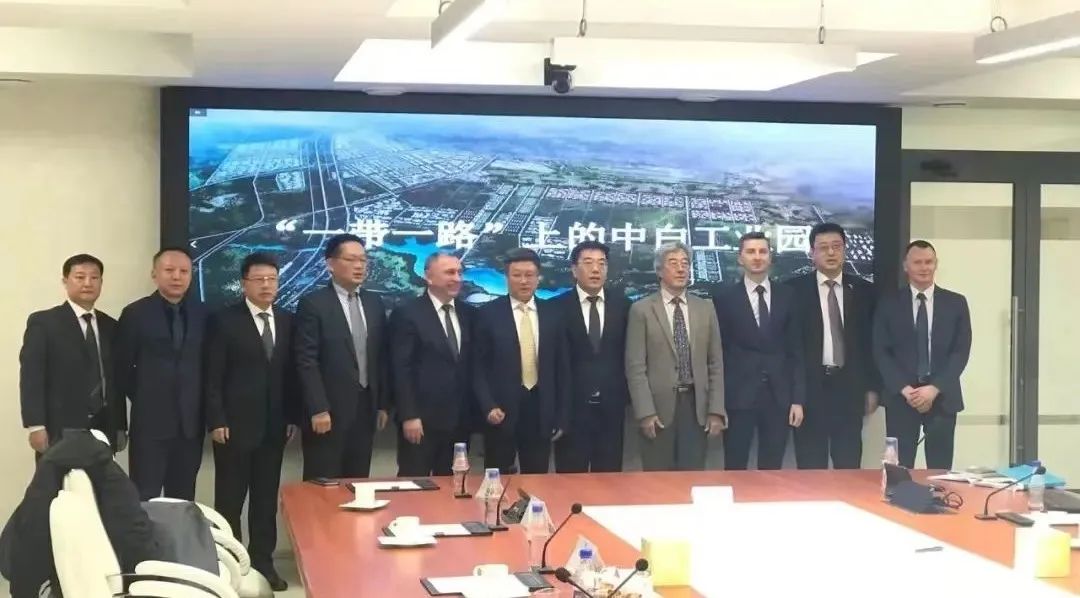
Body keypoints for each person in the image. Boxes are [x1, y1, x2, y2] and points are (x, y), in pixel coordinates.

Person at [204, 253, 299, 591]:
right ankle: (231, 569)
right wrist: (216, 418)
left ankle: (263, 564)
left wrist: (291, 417)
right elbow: (212, 375)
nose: (266, 285)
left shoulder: (287, 320)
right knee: (230, 502)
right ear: (244, 283)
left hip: (274, 429)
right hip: (233, 428)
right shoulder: (224, 321)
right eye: (259, 279)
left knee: (264, 502)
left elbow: (291, 376)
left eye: (272, 279)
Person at [115, 247, 207, 500]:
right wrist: (144, 396)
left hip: (190, 427)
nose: (177, 276)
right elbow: (121, 370)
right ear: (154, 274)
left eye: (184, 271)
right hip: (150, 425)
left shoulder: (203, 314)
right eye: (169, 270)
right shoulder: (135, 314)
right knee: (145, 497)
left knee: (183, 498)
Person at [295, 234, 389, 480]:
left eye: (363, 260)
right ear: (330, 264)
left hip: (365, 410)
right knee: (323, 485)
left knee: (357, 483)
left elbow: (380, 356)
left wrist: (382, 403)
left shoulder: (374, 302)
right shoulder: (313, 304)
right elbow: (306, 360)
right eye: (351, 259)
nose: (359, 266)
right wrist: (318, 408)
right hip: (328, 412)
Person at [625, 242, 725, 471]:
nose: (681, 269)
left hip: (696, 407)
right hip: (658, 409)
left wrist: (716, 410)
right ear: (659, 271)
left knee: (693, 477)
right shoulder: (642, 310)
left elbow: (715, 363)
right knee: (657, 480)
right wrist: (645, 412)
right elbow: (635, 367)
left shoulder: (705, 308)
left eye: (685, 263)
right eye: (673, 263)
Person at [873, 240, 971, 470]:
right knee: (898, 470)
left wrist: (934, 389)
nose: (924, 267)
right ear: (906, 266)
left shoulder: (956, 303)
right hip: (901, 398)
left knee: (940, 470)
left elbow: (960, 352)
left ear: (936, 264)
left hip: (942, 397)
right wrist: (906, 390)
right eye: (918, 262)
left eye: (929, 262)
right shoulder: (888, 303)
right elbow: (881, 351)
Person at [789, 223, 879, 469]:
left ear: (845, 250)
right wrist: (794, 395)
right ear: (812, 253)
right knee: (810, 467)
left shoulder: (864, 291)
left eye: (836, 246)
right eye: (823, 247)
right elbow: (790, 347)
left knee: (848, 465)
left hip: (850, 389)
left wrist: (872, 388)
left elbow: (871, 345)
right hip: (810, 390)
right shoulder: (793, 291)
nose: (831, 253)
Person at [473, 248, 570, 474]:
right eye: (517, 275)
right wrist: (488, 405)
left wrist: (562, 416)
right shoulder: (487, 314)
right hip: (500, 412)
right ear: (506, 278)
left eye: (529, 275)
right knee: (497, 479)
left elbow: (563, 369)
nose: (524, 281)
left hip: (540, 410)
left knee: (536, 479)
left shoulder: (553, 314)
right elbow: (477, 368)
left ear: (538, 278)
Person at [19, 254, 126, 457]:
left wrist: (120, 425)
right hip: (59, 427)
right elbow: (32, 376)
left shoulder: (110, 326)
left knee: (100, 478)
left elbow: (116, 380)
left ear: (101, 282)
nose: (88, 283)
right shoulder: (45, 323)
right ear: (65, 281)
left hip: (103, 426)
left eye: (94, 277)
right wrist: (35, 426)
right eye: (80, 277)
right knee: (60, 478)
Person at [714, 232, 804, 470]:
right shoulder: (723, 298)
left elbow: (796, 351)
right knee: (735, 466)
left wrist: (797, 400)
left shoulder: (788, 296)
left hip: (779, 397)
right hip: (737, 397)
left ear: (770, 257)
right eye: (750, 252)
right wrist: (717, 404)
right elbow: (718, 353)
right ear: (740, 258)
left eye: (762, 252)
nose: (757, 257)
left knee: (772, 468)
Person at [389, 252, 476, 477]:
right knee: (414, 484)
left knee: (454, 485)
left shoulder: (469, 314)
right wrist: (409, 415)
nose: (457, 278)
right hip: (421, 421)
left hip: (459, 423)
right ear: (429, 277)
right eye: (450, 272)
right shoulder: (407, 314)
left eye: (459, 273)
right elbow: (401, 369)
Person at [554, 240, 631, 473]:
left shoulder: (624, 306)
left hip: (612, 410)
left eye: (602, 263)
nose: (596, 269)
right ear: (574, 269)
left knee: (609, 480)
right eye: (588, 263)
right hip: (571, 411)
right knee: (570, 480)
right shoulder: (556, 308)